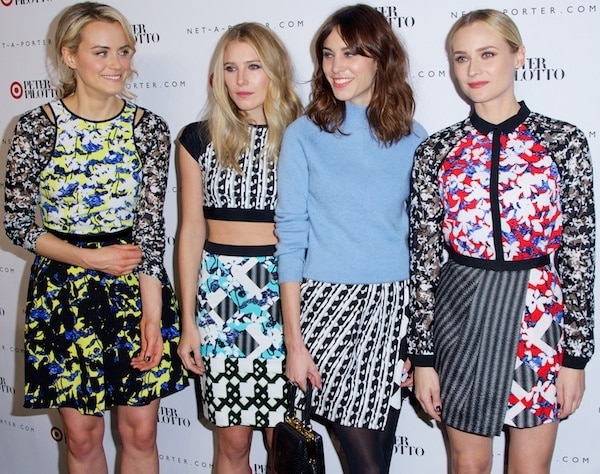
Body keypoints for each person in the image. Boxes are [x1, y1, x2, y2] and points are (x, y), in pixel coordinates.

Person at [3, 3, 188, 473]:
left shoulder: (148, 128)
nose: (117, 64)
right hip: (63, 291)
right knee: (83, 440)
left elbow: (150, 228)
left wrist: (152, 314)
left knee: (140, 432)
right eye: (101, 52)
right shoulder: (35, 128)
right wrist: (90, 258)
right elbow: (17, 222)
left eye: (123, 51)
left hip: (133, 283)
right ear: (69, 56)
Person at [408, 9, 595, 474]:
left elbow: (579, 253)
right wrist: (423, 356)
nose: (473, 70)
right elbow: (424, 257)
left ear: (519, 56)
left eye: (487, 54)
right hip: (461, 315)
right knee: (468, 467)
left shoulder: (562, 141)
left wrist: (576, 355)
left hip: (537, 321)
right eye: (461, 58)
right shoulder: (437, 151)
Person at [275, 4, 426, 473]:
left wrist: (418, 342)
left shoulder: (413, 136)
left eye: (351, 54)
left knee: (377, 458)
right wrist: (294, 343)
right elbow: (291, 238)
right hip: (330, 310)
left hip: (394, 311)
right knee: (368, 465)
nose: (336, 67)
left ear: (381, 58)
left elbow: (421, 244)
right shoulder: (305, 134)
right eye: (327, 54)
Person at [175, 22, 302, 474]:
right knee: (231, 446)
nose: (242, 80)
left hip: (286, 296)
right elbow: (190, 231)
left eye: (254, 66)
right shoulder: (198, 137)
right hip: (220, 301)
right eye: (231, 68)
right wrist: (188, 321)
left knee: (284, 446)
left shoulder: (306, 135)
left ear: (276, 71)